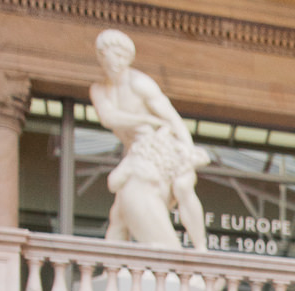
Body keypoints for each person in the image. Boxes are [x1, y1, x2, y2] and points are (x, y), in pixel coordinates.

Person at [89, 28, 209, 251]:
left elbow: (172, 118)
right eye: (108, 56)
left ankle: (201, 248)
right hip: (137, 150)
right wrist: (144, 118)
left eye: (119, 56)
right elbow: (108, 117)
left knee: (183, 186)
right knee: (120, 210)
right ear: (101, 57)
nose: (114, 62)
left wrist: (188, 150)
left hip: (161, 143)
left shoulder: (139, 83)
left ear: (127, 58)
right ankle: (113, 264)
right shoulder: (99, 90)